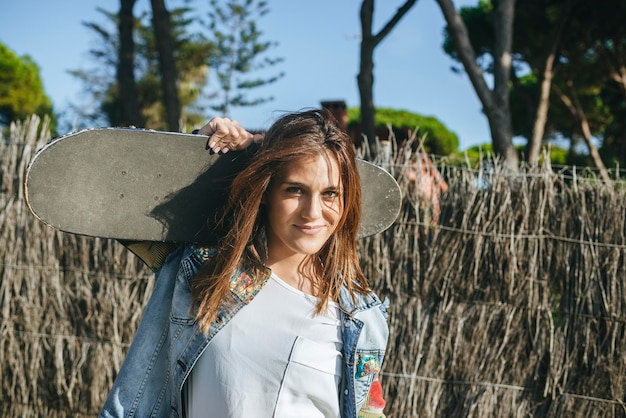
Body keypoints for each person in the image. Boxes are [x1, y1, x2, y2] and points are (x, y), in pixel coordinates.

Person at [99, 109, 390, 418]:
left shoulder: (358, 316)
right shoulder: (207, 272)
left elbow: (368, 411)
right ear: (266, 191)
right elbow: (120, 203)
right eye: (295, 190)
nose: (312, 212)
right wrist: (196, 155)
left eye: (330, 194)